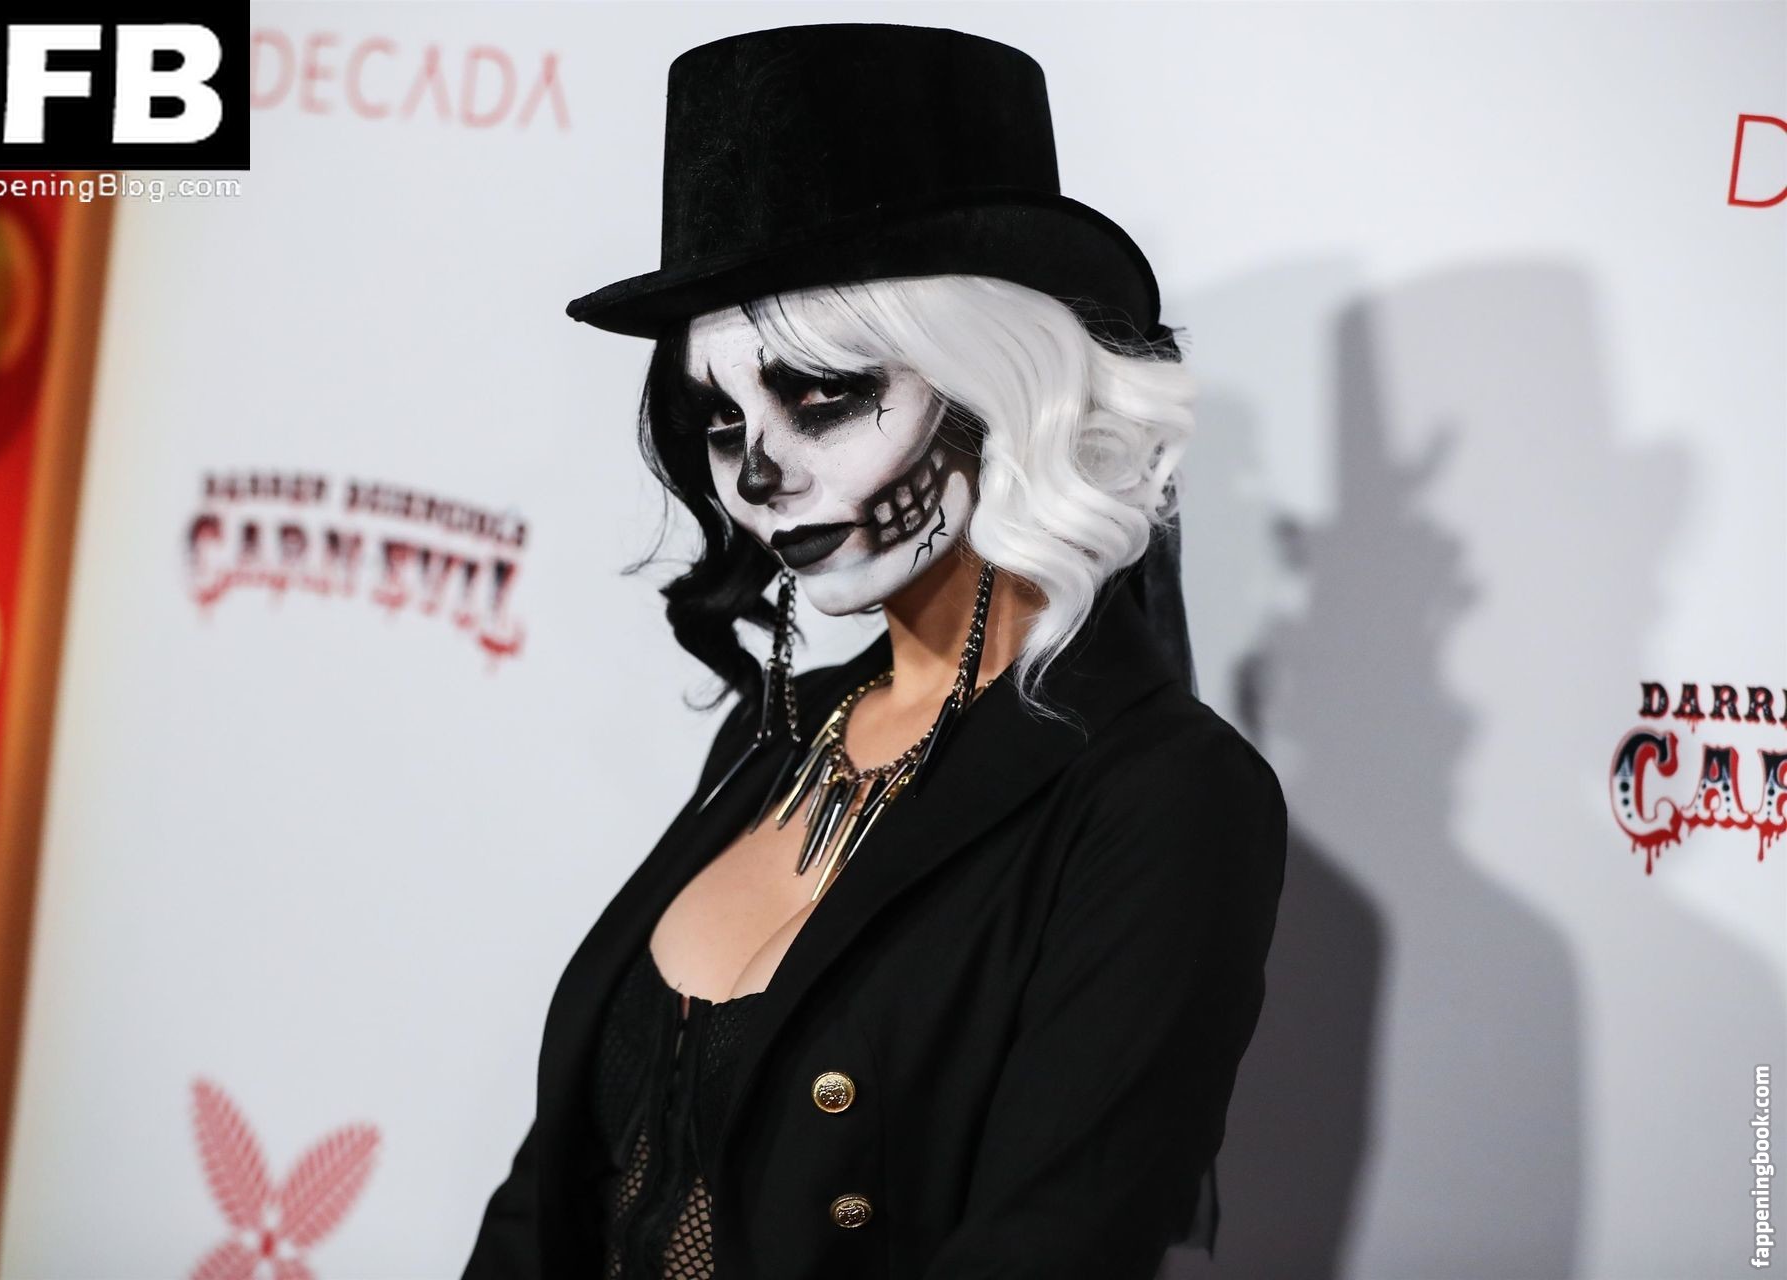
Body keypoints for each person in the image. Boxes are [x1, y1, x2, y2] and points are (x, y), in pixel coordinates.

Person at [463, 22, 1288, 1280]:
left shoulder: (1162, 795)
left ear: (1002, 387)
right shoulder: (776, 735)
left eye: (823, 394)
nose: (755, 473)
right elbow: (550, 1197)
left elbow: (1055, 1244)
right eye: (721, 416)